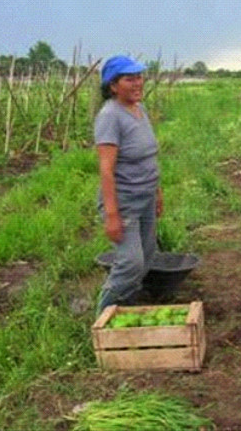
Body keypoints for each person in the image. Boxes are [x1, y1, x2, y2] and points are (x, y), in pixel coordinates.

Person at [94, 54, 163, 315]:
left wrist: (157, 192)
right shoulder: (110, 116)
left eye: (139, 77)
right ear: (113, 85)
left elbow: (148, 155)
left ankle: (126, 308)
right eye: (129, 78)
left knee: (146, 256)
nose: (137, 83)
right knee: (131, 262)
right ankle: (102, 316)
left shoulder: (139, 109)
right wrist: (112, 215)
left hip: (145, 197)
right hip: (124, 203)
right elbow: (106, 169)